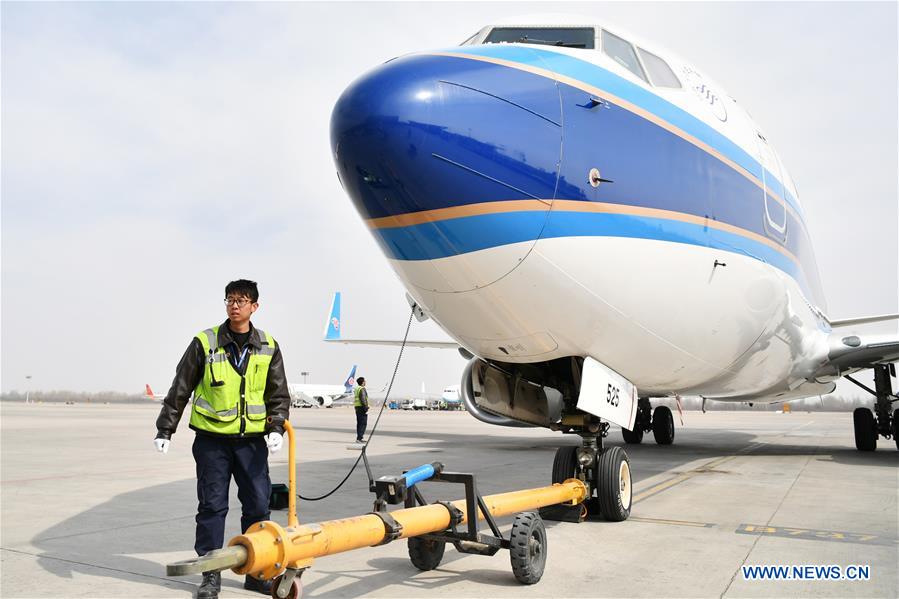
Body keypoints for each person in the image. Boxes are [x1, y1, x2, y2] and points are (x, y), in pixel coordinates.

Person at [153, 279, 290, 599]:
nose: (234, 305)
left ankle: (257, 571)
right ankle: (210, 574)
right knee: (212, 507)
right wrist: (165, 429)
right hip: (212, 442)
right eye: (230, 299)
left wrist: (276, 427)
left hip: (252, 443)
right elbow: (180, 388)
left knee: (258, 507)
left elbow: (278, 393)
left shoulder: (268, 344)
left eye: (242, 300)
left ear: (255, 307)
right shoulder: (205, 342)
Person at [353, 376, 369, 443]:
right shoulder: (362, 389)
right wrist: (366, 408)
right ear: (362, 382)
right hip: (362, 408)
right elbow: (363, 399)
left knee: (359, 423)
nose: (365, 382)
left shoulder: (356, 388)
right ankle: (359, 438)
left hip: (357, 407)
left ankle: (359, 438)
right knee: (363, 423)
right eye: (364, 381)